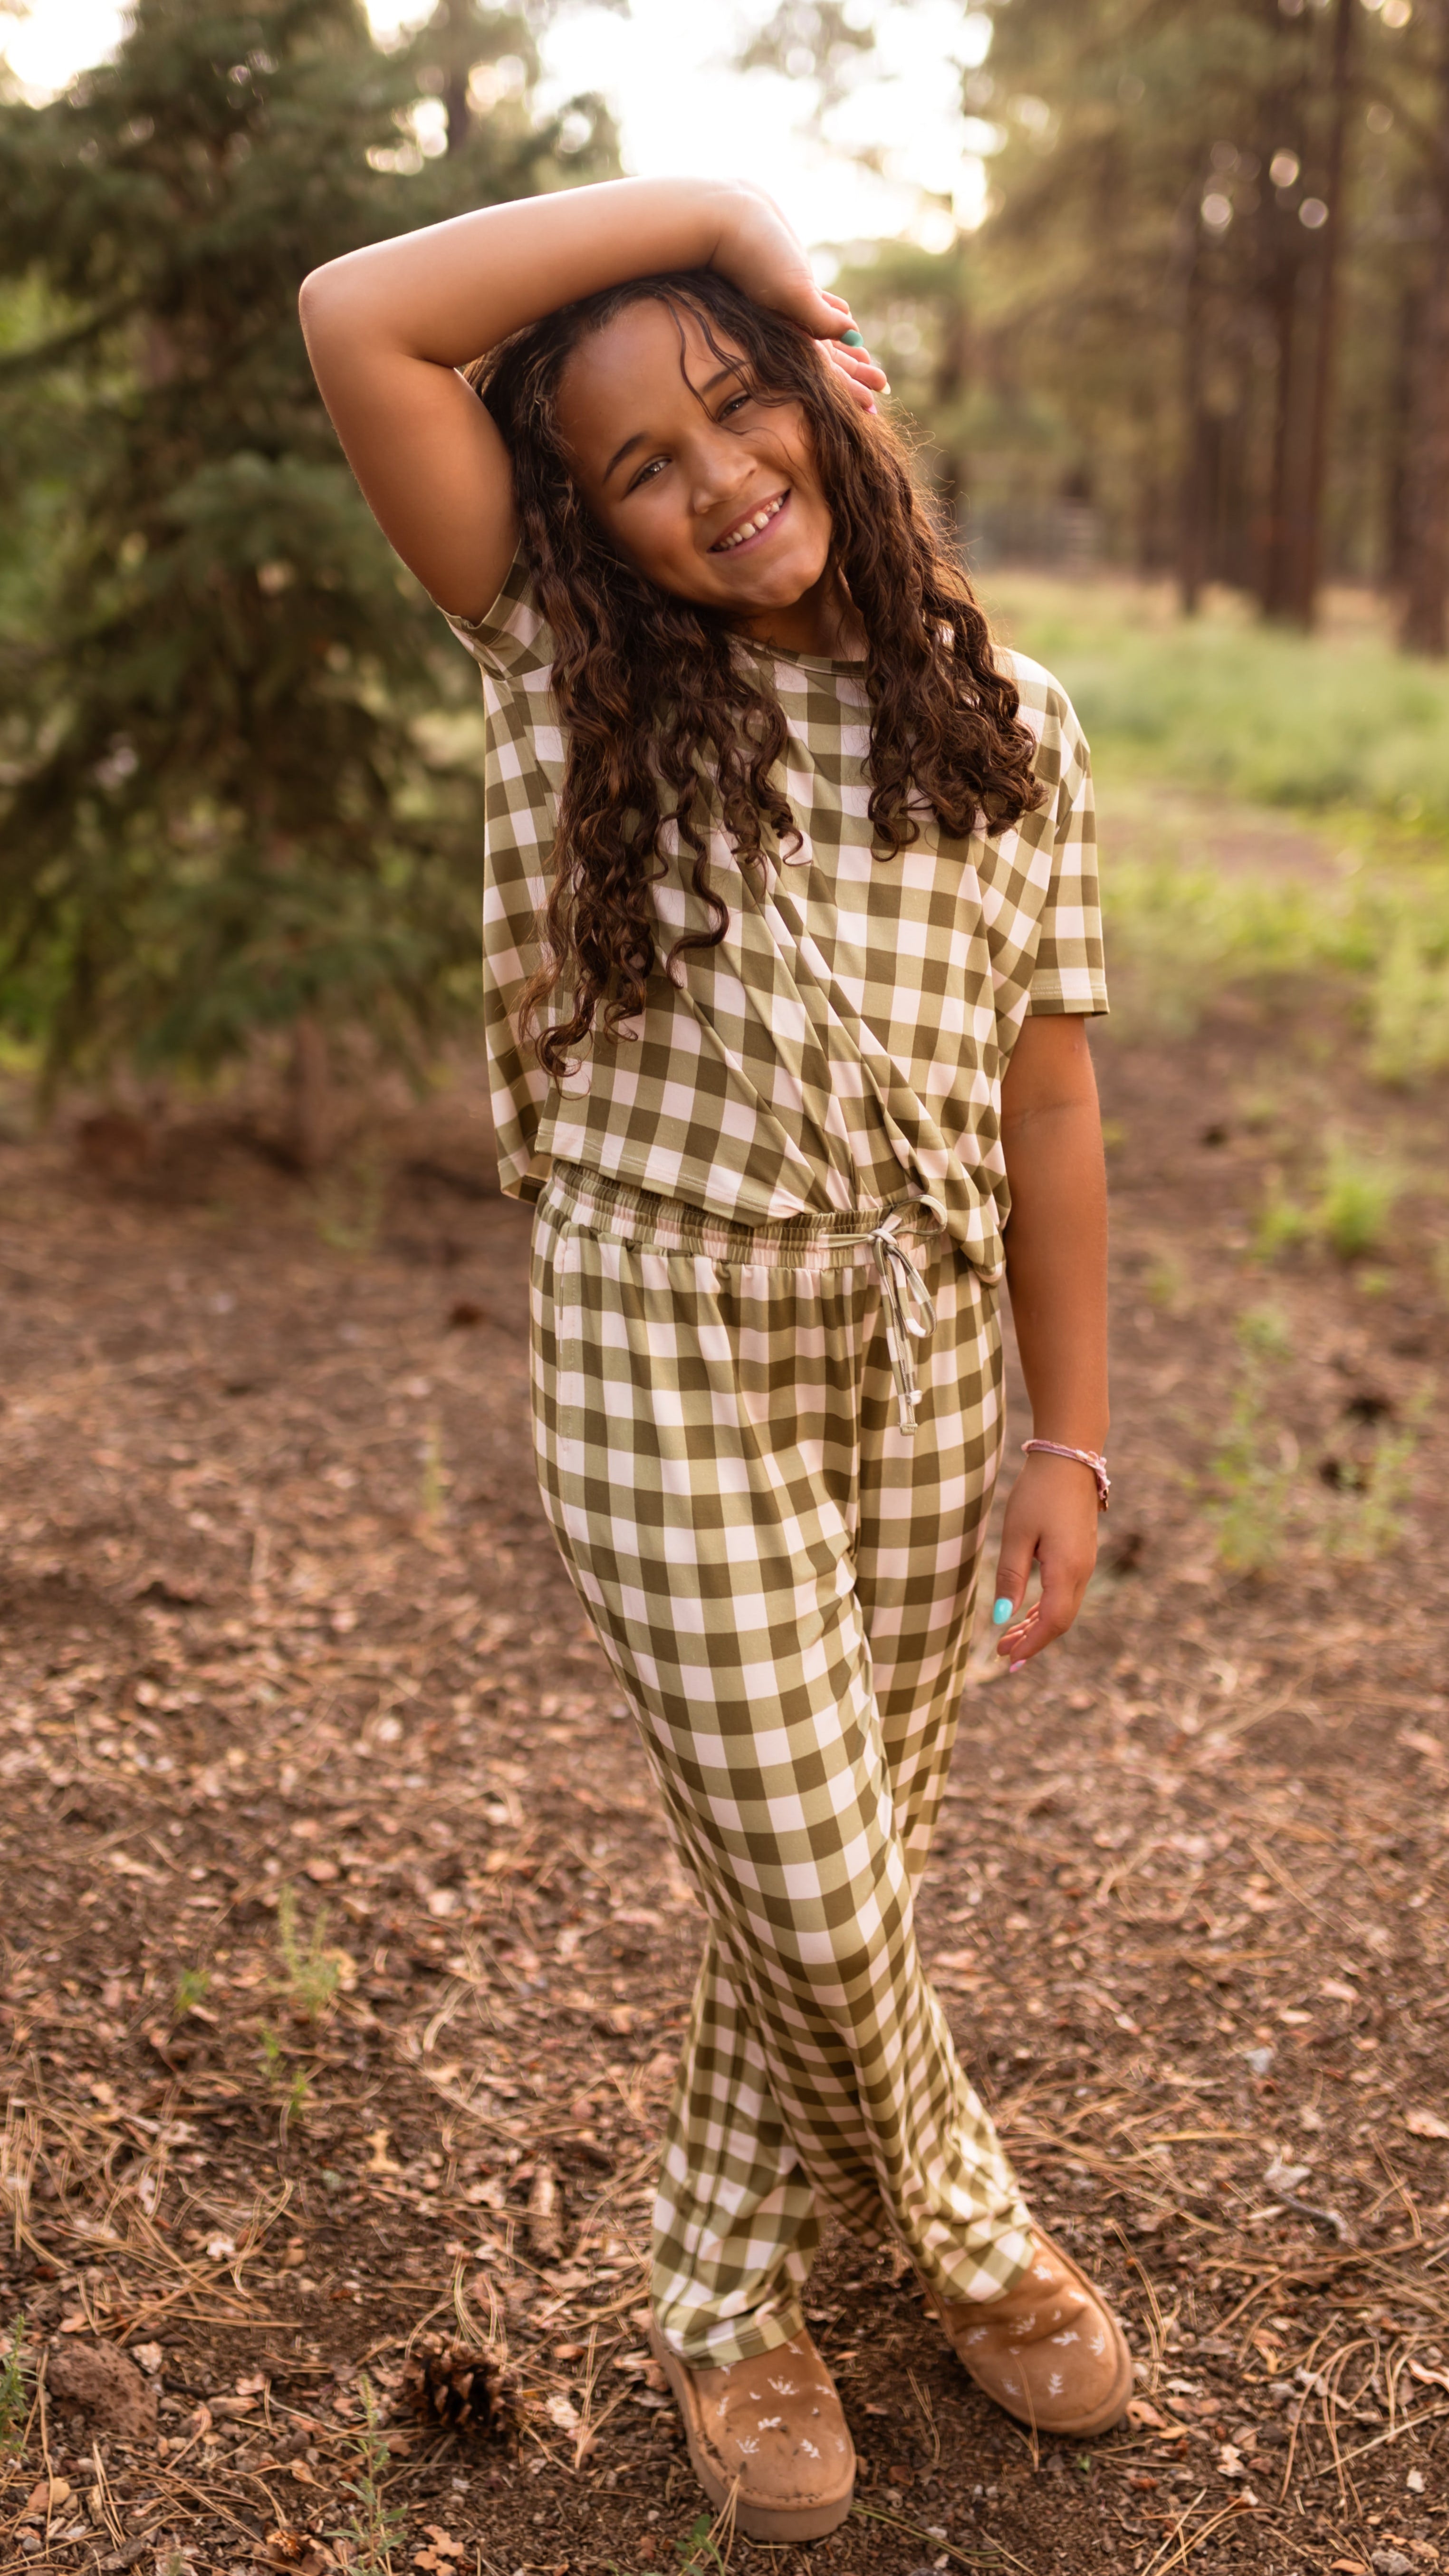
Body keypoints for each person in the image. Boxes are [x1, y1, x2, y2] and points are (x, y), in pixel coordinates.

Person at [301, 176, 1130, 2545]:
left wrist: (1067, 1431)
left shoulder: (1012, 726)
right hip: (660, 1337)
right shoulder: (567, 668)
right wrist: (719, 226)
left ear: (831, 403)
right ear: (584, 522)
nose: (716, 478)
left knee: (830, 1865)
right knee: (821, 1875)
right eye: (640, 465)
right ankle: (971, 2226)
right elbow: (357, 316)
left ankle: (727, 2287)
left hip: (925, 1354)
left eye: (740, 403)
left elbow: (1049, 1106)